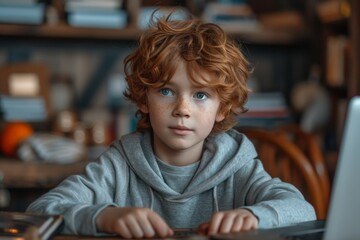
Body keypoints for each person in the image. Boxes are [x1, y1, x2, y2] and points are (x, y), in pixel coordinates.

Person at [26, 16, 316, 238]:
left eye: (200, 95)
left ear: (222, 108)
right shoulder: (119, 164)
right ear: (143, 99)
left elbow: (302, 209)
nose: (182, 109)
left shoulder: (238, 165)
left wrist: (255, 216)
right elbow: (39, 211)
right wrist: (104, 216)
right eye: (166, 91)